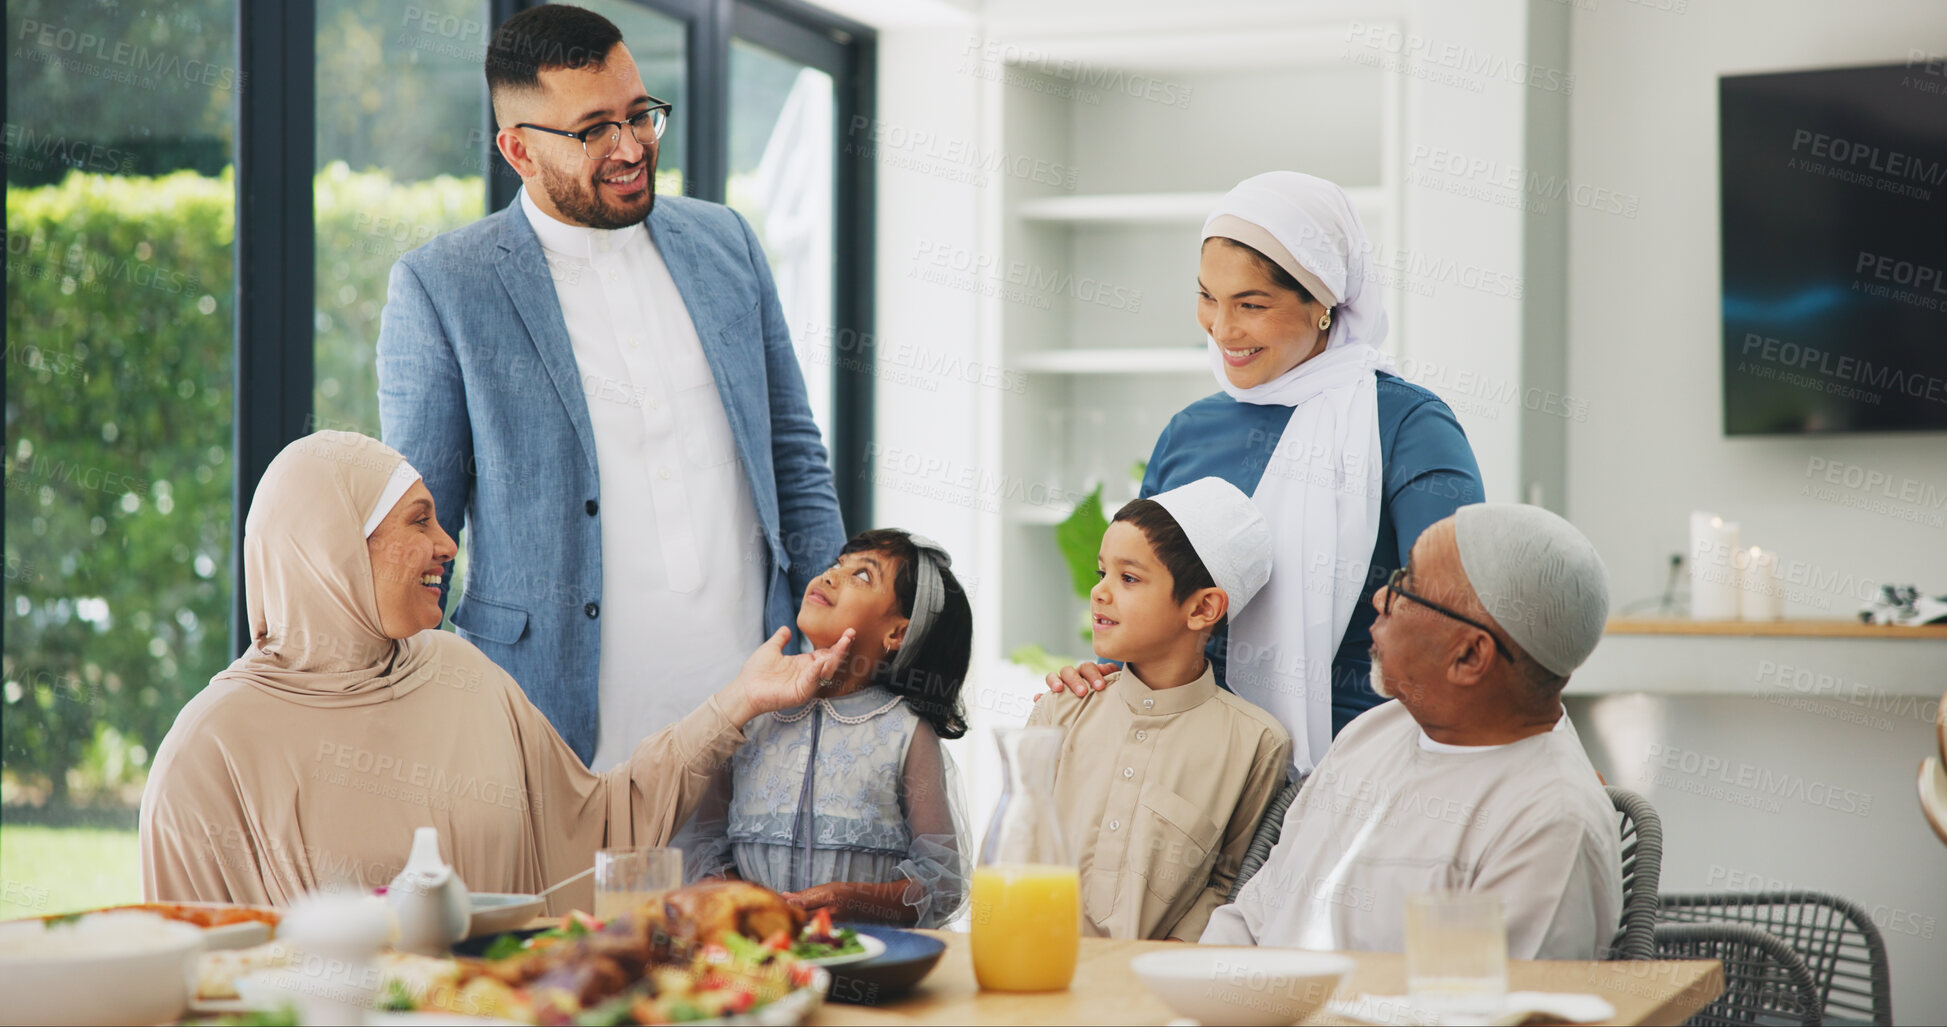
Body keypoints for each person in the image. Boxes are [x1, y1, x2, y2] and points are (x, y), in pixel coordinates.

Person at [375, 3, 844, 769]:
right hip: (558, 732)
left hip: (762, 713)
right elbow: (422, 526)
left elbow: (794, 454)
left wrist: (834, 640)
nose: (631, 147)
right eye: (594, 129)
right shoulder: (444, 287)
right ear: (518, 150)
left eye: (640, 115)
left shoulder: (727, 243)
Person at [139, 432, 854, 913]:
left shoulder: (462, 675)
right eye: (418, 521)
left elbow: (604, 823)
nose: (447, 544)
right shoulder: (212, 753)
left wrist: (740, 701)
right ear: (331, 547)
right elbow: (195, 978)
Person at [1046, 172, 1483, 778]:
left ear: (1323, 303)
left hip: (1362, 769)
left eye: (1251, 305)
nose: (1222, 330)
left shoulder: (1408, 426)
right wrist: (1106, 672)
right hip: (1189, 772)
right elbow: (1146, 603)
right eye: (1207, 298)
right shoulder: (1189, 432)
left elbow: (1460, 619)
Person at [1200, 503, 1622, 960]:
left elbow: (1478, 1010)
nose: (1381, 598)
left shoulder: (1549, 827)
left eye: (1408, 587)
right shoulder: (1377, 731)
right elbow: (1251, 918)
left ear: (1469, 657)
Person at [1029, 479, 1291, 942]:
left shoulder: (1257, 743)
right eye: (1100, 573)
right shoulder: (1062, 712)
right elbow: (1018, 850)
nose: (1100, 593)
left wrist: (1164, 962)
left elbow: (1231, 883)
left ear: (1202, 607)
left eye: (1128, 578)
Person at [684, 530, 973, 928]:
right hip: (755, 959)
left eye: (863, 576)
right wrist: (746, 901)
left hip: (868, 961)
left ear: (897, 633)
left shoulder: (904, 734)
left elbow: (942, 883)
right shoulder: (755, 713)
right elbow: (703, 845)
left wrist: (853, 901)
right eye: (838, 564)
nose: (831, 575)